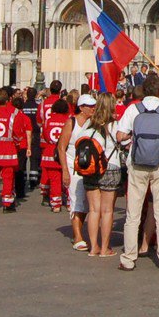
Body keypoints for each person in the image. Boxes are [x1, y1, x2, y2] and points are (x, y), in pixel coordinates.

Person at [116, 75, 159, 270]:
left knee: (132, 214)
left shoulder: (133, 109)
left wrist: (133, 137)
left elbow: (119, 136)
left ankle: (128, 258)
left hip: (137, 163)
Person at [82, 93, 123, 258]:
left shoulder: (88, 125)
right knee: (107, 211)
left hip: (91, 168)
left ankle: (93, 247)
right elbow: (124, 141)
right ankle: (105, 248)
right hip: (111, 167)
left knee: (93, 210)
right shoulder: (115, 126)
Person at [63, 93, 98, 251]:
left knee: (86, 201)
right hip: (72, 165)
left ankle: (80, 231)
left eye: (93, 106)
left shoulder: (94, 122)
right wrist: (65, 170)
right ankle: (77, 236)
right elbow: (61, 147)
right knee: (76, 198)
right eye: (90, 106)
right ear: (81, 108)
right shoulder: (71, 122)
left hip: (89, 166)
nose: (93, 109)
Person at [39, 98, 72, 211]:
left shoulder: (48, 120)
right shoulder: (69, 121)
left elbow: (45, 136)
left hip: (51, 152)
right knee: (68, 179)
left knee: (54, 180)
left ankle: (56, 204)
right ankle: (69, 203)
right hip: (65, 151)